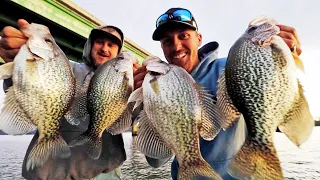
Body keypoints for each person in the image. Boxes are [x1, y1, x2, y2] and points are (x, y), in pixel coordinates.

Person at [133, 7, 302, 180]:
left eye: (183, 36)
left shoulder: (230, 67)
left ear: (199, 39)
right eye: (167, 41)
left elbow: (268, 86)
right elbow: (156, 161)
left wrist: (283, 55)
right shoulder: (157, 87)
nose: (176, 46)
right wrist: (145, 103)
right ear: (162, 47)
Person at [0, 19, 139, 180]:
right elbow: (29, 87)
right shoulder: (64, 68)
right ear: (90, 45)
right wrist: (16, 63)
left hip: (107, 174)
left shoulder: (128, 79)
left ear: (118, 52)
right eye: (99, 42)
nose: (104, 48)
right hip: (51, 175)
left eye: (111, 45)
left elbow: (133, 118)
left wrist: (139, 91)